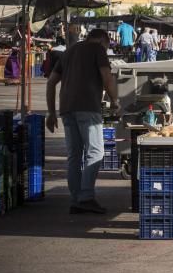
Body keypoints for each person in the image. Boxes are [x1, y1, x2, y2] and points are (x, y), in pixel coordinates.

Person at [45, 28, 119, 214]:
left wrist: (51, 113)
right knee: (96, 152)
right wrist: (115, 101)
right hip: (87, 107)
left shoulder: (69, 51)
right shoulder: (97, 49)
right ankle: (86, 197)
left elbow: (51, 82)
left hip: (66, 109)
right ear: (104, 40)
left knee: (74, 155)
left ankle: (77, 198)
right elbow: (107, 77)